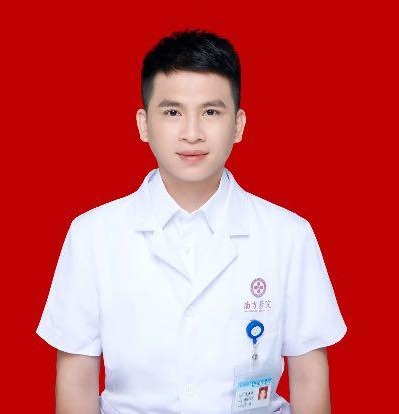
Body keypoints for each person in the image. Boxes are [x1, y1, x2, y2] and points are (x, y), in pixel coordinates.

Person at [36, 28, 347, 414]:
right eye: (172, 112)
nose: (192, 133)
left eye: (211, 112)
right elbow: (77, 376)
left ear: (238, 125)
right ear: (143, 124)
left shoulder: (289, 235)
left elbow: (309, 375)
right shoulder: (91, 235)